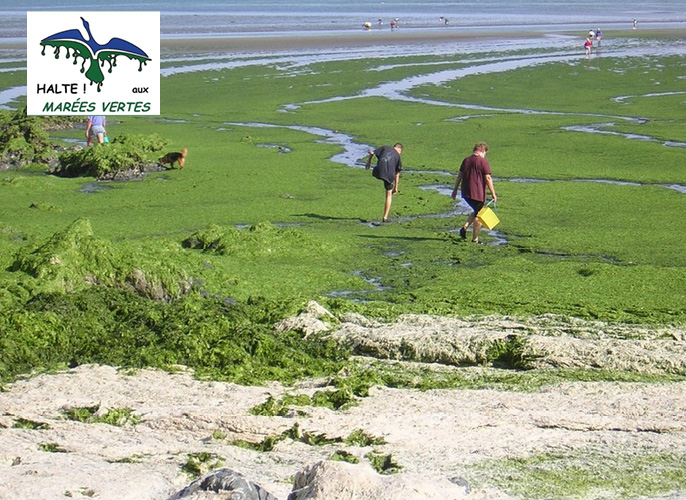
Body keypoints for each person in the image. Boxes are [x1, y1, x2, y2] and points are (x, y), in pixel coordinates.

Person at [451, 142, 497, 243]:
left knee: (477, 211)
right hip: (477, 194)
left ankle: (464, 228)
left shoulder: (466, 160)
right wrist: (493, 193)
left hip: (466, 193)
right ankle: (474, 239)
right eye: (485, 153)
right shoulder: (483, 162)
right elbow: (488, 178)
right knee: (479, 216)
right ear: (482, 150)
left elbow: (459, 176)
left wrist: (454, 190)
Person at [366, 143, 403, 223]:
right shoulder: (398, 157)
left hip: (378, 171)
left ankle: (378, 173)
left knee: (379, 170)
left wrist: (368, 162)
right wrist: (396, 188)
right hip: (389, 175)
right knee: (389, 194)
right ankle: (385, 218)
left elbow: (372, 153)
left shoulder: (385, 147)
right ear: (399, 150)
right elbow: (397, 174)